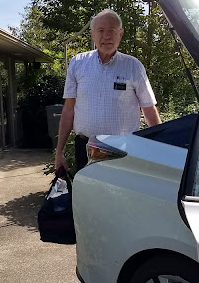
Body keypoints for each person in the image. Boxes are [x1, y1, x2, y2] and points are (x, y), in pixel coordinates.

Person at [54, 9, 161, 173]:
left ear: (120, 34)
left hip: (124, 149)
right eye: (101, 31)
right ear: (92, 34)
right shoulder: (78, 63)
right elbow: (69, 110)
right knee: (88, 189)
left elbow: (149, 109)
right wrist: (59, 151)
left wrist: (161, 148)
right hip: (86, 149)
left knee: (123, 189)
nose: (106, 36)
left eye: (112, 31)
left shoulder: (133, 66)